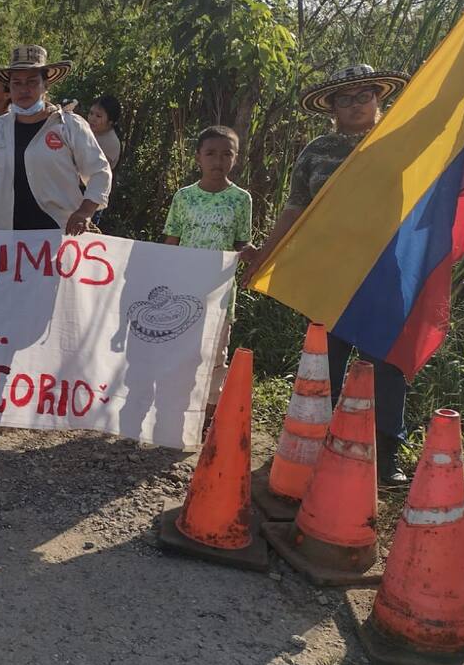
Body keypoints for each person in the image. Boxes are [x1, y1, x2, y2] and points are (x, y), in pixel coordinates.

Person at [241, 63, 411, 485]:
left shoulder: (401, 140)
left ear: (378, 98)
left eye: (363, 96)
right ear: (332, 107)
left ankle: (385, 456)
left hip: (385, 270)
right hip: (328, 271)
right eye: (344, 99)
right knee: (326, 361)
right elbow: (295, 208)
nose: (355, 106)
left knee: (386, 363)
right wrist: (265, 254)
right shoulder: (316, 151)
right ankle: (312, 444)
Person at [0, 45, 111, 235]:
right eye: (17, 83)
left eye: (32, 82)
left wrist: (85, 212)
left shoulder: (70, 126)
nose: (24, 89)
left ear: (45, 85)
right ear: (10, 88)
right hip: (4, 245)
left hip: (57, 242)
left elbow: (99, 172)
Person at [163, 125, 254, 423]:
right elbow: (171, 242)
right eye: (210, 153)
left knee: (216, 354)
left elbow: (242, 242)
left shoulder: (241, 199)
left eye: (226, 154)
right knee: (182, 350)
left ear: (236, 158)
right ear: (198, 158)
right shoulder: (184, 197)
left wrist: (255, 256)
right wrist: (162, 279)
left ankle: (208, 415)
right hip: (184, 290)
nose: (218, 161)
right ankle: (177, 409)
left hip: (220, 292)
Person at [87, 95, 123, 175]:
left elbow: (94, 174)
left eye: (98, 116)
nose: (92, 118)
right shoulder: (86, 130)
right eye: (91, 113)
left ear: (110, 121)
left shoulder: (111, 143)